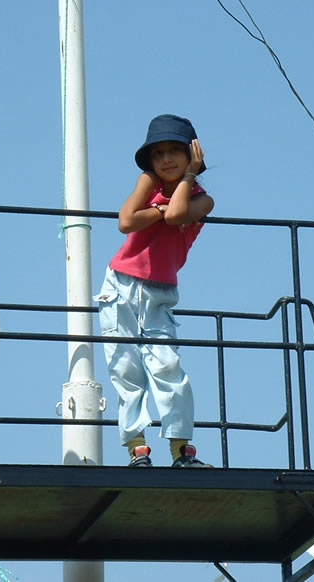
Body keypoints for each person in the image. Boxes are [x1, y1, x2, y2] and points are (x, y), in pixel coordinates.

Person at [95, 114, 215, 468]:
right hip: (120, 283)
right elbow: (125, 222)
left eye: (176, 151)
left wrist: (188, 177)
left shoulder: (203, 200)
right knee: (125, 369)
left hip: (160, 291)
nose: (166, 159)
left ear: (193, 154)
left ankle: (181, 450)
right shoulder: (148, 181)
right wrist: (158, 208)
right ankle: (137, 448)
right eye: (158, 152)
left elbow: (178, 215)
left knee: (167, 366)